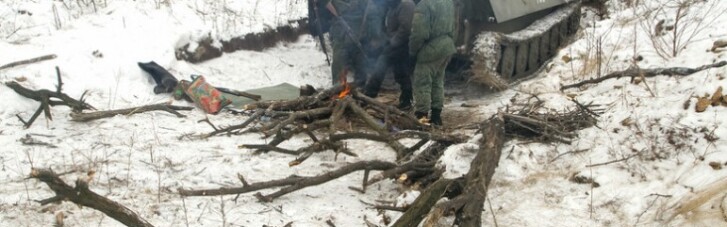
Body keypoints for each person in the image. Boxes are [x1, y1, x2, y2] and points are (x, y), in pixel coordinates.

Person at [408, 0, 455, 126]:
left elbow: (419, 33)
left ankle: (422, 117)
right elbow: (455, 26)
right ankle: (436, 117)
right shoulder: (447, 2)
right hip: (446, 46)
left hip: (430, 49)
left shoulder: (424, 5)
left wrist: (412, 51)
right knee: (437, 81)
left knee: (422, 82)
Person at [364, 0, 416, 110]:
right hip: (395, 43)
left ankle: (369, 94)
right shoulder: (394, 5)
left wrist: (393, 42)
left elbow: (406, 29)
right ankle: (406, 100)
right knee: (401, 72)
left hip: (400, 44)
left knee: (380, 66)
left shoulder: (406, 5)